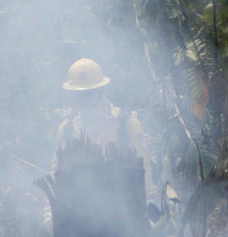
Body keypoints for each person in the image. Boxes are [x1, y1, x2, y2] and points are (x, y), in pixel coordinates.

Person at [53, 58, 153, 202]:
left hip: (125, 209)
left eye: (89, 93)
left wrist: (149, 204)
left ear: (100, 90)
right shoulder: (67, 129)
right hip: (80, 214)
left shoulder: (126, 123)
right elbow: (57, 174)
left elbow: (144, 169)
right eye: (80, 94)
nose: (84, 98)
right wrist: (49, 213)